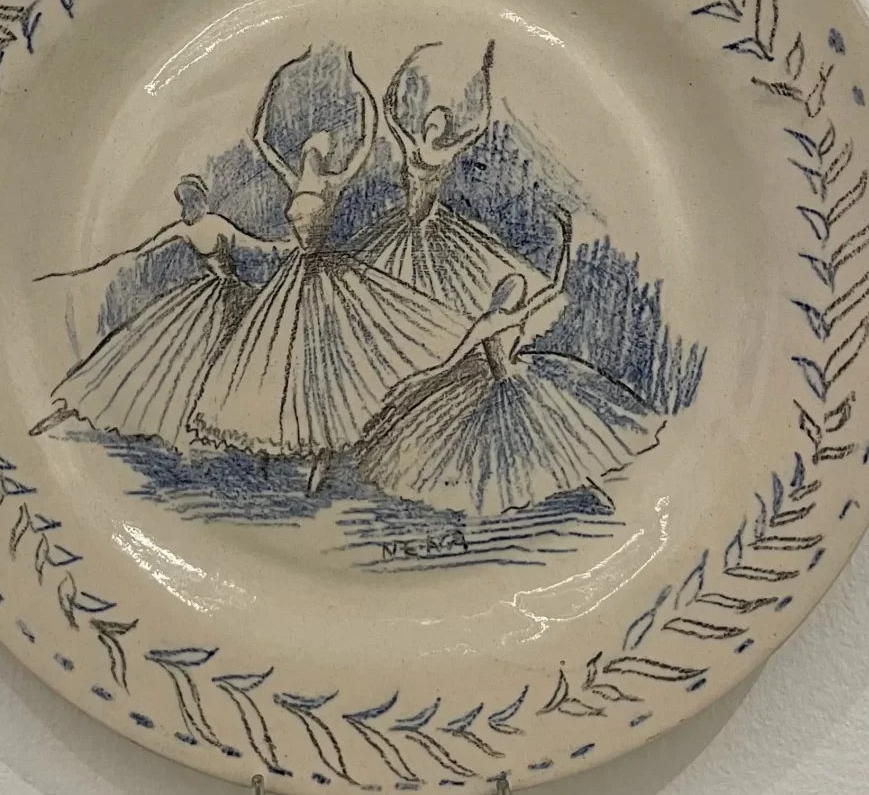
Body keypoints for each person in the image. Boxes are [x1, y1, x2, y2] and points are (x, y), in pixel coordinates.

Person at [186, 47, 470, 487]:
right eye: (309, 148)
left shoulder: (334, 180)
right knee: (275, 362)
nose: (311, 152)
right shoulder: (292, 179)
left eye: (317, 148)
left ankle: (324, 457)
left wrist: (364, 92)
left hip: (324, 277)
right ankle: (272, 449)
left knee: (325, 365)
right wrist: (274, 83)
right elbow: (261, 140)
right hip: (294, 278)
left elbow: (366, 140)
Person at [359, 209, 665, 516]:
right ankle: (570, 491)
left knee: (556, 433)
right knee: (523, 442)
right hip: (504, 384)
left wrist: (567, 237)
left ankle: (588, 488)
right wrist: (416, 381)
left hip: (524, 376)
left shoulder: (508, 316)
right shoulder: (493, 322)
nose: (521, 296)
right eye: (517, 291)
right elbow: (450, 363)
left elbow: (555, 288)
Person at [29, 174, 275, 451]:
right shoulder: (193, 227)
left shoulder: (208, 225)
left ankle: (220, 425)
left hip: (223, 294)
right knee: (184, 354)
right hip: (215, 296)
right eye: (189, 201)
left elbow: (252, 244)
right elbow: (144, 249)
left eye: (193, 199)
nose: (192, 205)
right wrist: (105, 264)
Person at [352, 39, 544, 314]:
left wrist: (485, 74)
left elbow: (479, 125)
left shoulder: (444, 153)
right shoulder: (412, 147)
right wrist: (400, 71)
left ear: (444, 130)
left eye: (440, 124)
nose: (434, 127)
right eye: (432, 122)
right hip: (404, 221)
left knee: (434, 281)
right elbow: (390, 113)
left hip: (430, 225)